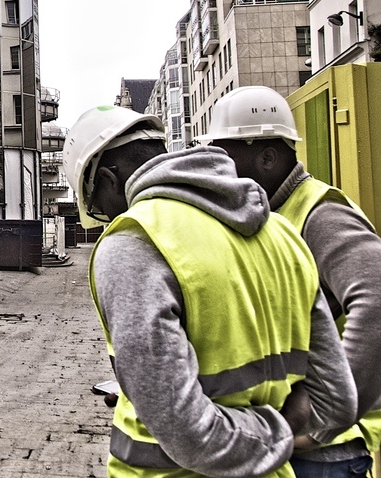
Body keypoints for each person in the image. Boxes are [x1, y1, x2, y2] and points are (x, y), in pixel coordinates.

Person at [62, 105, 356, 477]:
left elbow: (190, 436)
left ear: (108, 178)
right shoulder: (282, 235)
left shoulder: (134, 241)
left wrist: (272, 434)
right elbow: (337, 401)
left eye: (99, 208)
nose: (107, 218)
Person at [201, 85, 381, 478]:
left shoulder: (320, 214)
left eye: (227, 158)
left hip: (322, 457)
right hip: (285, 442)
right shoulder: (272, 215)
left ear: (267, 157)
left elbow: (377, 303)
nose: (220, 172)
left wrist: (321, 416)